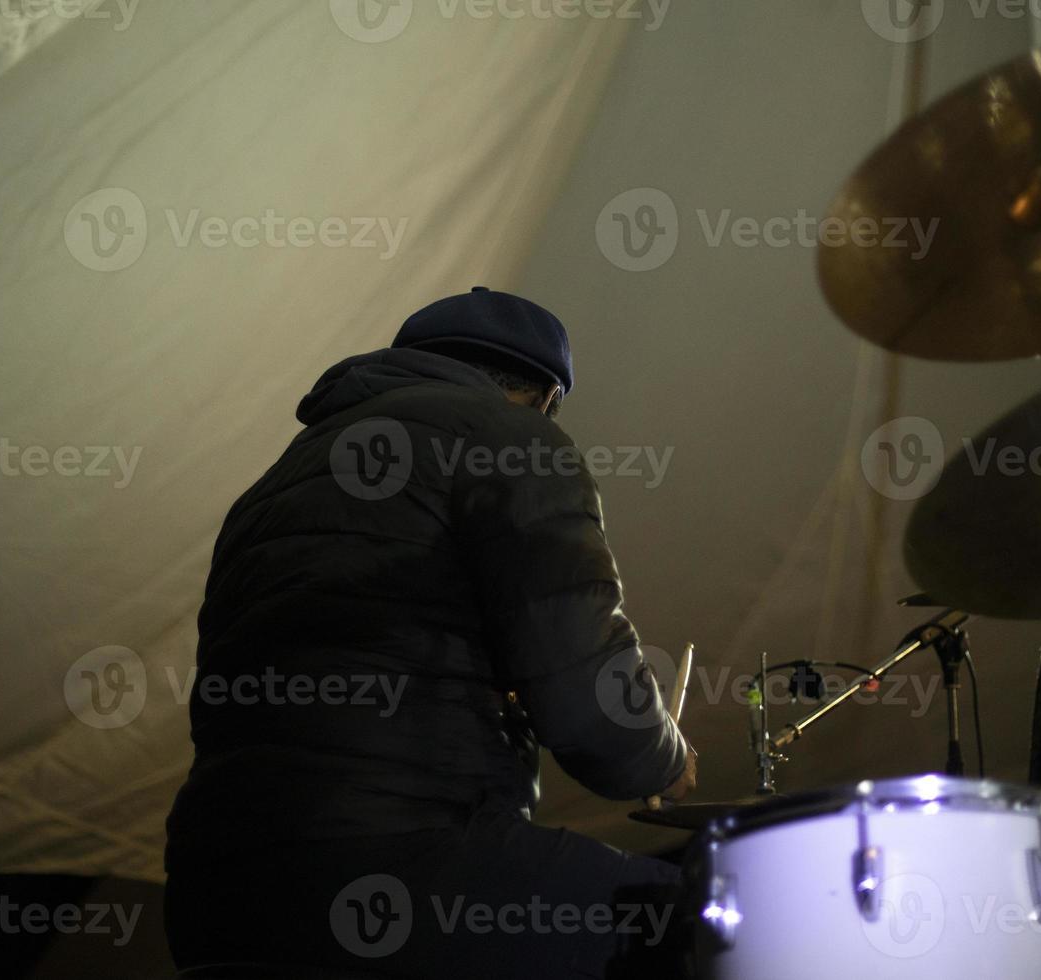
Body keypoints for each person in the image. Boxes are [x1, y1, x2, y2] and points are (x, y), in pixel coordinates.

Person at [164, 287, 696, 978]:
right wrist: (660, 758)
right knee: (704, 929)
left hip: (214, 895)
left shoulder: (269, 490)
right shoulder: (511, 440)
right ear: (542, 398)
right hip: (401, 863)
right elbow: (585, 690)